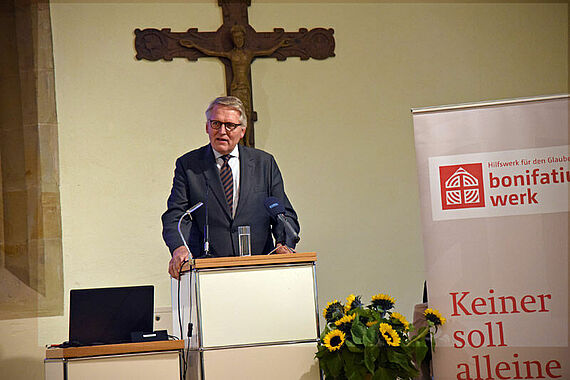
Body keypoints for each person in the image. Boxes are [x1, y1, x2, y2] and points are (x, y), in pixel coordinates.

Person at [162, 96, 299, 278]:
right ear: (207, 127)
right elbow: (175, 215)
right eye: (216, 123)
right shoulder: (189, 165)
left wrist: (284, 244)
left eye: (230, 125)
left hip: (259, 267)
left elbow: (283, 213)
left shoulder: (264, 163)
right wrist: (179, 247)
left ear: (242, 131)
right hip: (207, 270)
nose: (222, 131)